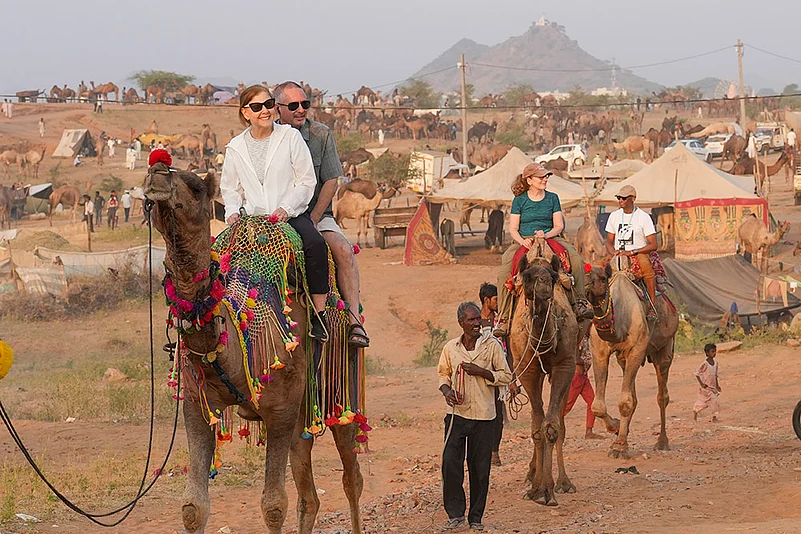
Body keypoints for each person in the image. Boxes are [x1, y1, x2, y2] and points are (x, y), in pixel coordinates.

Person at [221, 84, 330, 341]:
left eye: (268, 104)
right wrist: (233, 212)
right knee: (219, 259)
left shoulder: (289, 137)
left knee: (315, 244)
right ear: (245, 113)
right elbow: (230, 188)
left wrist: (286, 208)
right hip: (252, 220)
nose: (265, 111)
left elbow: (306, 181)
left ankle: (319, 316)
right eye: (257, 107)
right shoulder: (235, 147)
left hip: (290, 215)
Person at [273, 81, 368, 347]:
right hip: (275, 214)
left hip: (315, 213)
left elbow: (330, 180)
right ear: (278, 108)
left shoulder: (320, 134)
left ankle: (353, 323)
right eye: (294, 106)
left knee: (343, 250)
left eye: (305, 104)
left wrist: (314, 218)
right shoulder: (268, 136)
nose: (301, 110)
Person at [494, 162, 593, 337]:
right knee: (504, 271)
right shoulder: (520, 200)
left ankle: (580, 302)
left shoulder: (553, 198)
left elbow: (558, 225)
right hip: (524, 240)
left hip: (551, 237)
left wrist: (546, 235)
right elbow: (513, 228)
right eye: (541, 177)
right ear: (530, 180)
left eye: (546, 176)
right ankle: (504, 318)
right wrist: (523, 241)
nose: (545, 179)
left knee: (576, 260)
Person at [438, 302, 512, 531]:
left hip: (484, 416)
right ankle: (455, 514)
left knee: (480, 470)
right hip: (456, 415)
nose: (476, 324)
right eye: (471, 320)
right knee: (450, 465)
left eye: (478, 319)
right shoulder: (451, 347)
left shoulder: (492, 346)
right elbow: (443, 374)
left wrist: (482, 372)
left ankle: (476, 518)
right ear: (461, 322)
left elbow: (506, 376)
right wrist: (447, 392)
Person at [604, 184, 658, 319]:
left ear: (633, 198)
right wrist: (613, 252)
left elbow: (654, 244)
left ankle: (652, 306)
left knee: (646, 268)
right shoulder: (614, 216)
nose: (620, 200)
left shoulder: (643, 217)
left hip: (637, 253)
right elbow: (609, 241)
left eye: (624, 198)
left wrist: (633, 251)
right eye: (619, 197)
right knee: (596, 273)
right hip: (618, 255)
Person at [563, 332, 604, 439]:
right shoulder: (578, 337)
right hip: (577, 377)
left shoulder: (585, 337)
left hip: (583, 376)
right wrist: (587, 361)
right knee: (566, 406)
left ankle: (589, 431)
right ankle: (549, 426)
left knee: (592, 403)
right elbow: (574, 357)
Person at [693, 343, 721, 422]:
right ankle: (695, 410)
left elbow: (715, 375)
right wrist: (702, 384)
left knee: (714, 402)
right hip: (706, 388)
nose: (714, 353)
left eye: (715, 351)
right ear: (707, 353)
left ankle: (714, 417)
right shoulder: (704, 364)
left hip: (712, 388)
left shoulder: (715, 363)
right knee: (703, 403)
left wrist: (717, 385)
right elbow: (697, 374)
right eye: (712, 352)